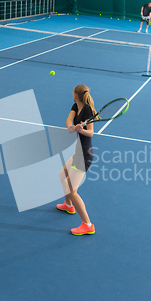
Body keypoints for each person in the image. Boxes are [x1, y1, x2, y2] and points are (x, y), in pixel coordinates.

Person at [56, 84, 96, 235]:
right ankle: (68, 205)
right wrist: (71, 127)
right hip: (78, 152)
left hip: (84, 155)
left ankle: (88, 224)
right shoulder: (75, 106)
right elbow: (69, 119)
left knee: (72, 190)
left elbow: (91, 133)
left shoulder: (87, 110)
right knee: (62, 175)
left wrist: (82, 130)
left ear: (75, 95)